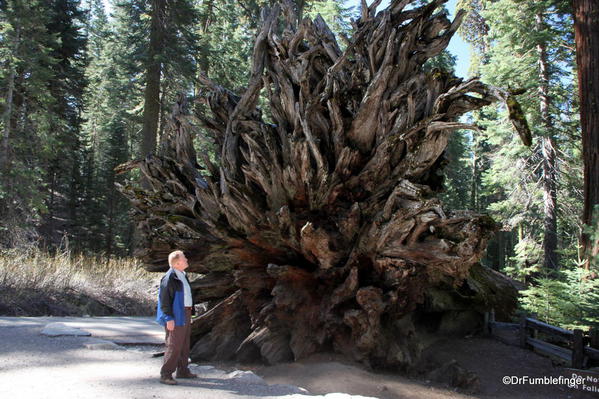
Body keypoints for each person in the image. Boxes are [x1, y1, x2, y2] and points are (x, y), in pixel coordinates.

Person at [156, 250, 198, 385]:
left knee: (185, 344)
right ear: (177, 262)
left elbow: (188, 297)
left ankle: (183, 370)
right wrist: (168, 318)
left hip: (185, 313)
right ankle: (166, 374)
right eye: (184, 258)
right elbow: (164, 300)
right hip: (175, 315)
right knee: (173, 345)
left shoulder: (182, 275)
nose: (187, 259)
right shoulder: (169, 278)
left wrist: (191, 314)